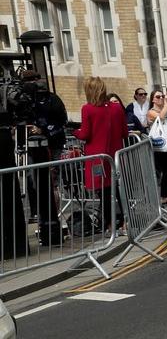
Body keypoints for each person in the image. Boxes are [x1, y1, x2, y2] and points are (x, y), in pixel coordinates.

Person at [74, 76, 125, 230]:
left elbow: (85, 134)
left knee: (103, 191)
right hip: (116, 155)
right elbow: (125, 132)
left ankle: (109, 223)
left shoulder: (88, 109)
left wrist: (75, 132)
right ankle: (123, 221)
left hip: (98, 158)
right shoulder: (116, 108)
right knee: (118, 189)